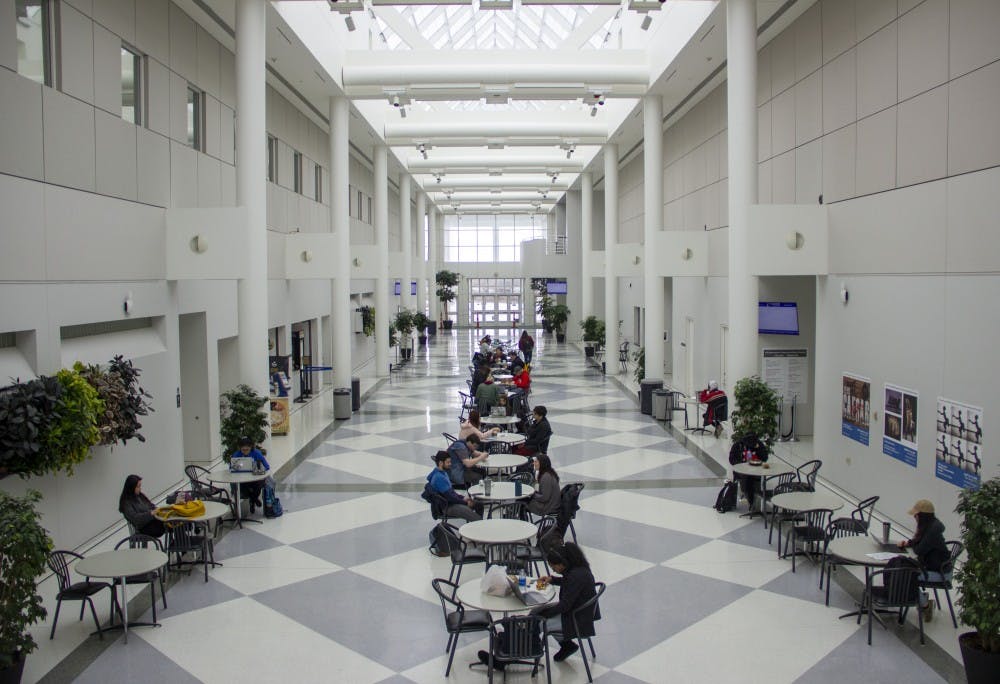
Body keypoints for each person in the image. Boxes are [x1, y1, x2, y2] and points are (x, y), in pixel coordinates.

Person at [477, 542, 598, 670]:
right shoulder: (578, 569)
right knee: (536, 613)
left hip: (575, 619)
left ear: (562, 563)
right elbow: (569, 585)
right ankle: (567, 645)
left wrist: (542, 615)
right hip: (577, 612)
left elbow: (564, 606)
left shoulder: (576, 576)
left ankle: (503, 660)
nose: (553, 570)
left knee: (533, 623)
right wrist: (553, 579)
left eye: (553, 567)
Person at [898, 499, 950, 621]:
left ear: (922, 516)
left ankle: (925, 604)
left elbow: (919, 550)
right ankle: (921, 600)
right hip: (933, 566)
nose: (914, 518)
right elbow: (919, 544)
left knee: (907, 575)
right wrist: (909, 543)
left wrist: (913, 542)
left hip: (940, 573)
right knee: (905, 570)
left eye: (916, 515)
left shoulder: (932, 531)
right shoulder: (931, 526)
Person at [427, 451, 482, 523]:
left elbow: (451, 493)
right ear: (440, 463)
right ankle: (479, 525)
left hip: (451, 502)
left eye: (450, 462)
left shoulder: (442, 473)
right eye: (448, 462)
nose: (450, 464)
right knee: (476, 518)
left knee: (479, 504)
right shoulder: (439, 478)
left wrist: (462, 498)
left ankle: (475, 527)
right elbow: (450, 497)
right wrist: (465, 503)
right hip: (447, 506)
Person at [230, 436, 270, 513]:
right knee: (241, 487)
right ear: (240, 448)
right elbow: (231, 468)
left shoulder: (256, 453)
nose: (245, 452)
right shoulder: (236, 455)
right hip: (242, 480)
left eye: (247, 450)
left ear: (251, 447)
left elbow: (267, 466)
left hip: (255, 479)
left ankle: (253, 499)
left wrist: (259, 469)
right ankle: (254, 499)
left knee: (259, 484)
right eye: (243, 450)